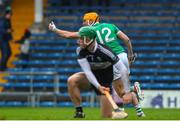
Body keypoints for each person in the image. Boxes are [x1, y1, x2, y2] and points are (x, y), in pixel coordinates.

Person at [49, 12, 145, 117]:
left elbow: (68, 35)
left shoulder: (90, 33)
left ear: (90, 21)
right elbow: (126, 39)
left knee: (120, 92)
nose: (83, 23)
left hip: (111, 59)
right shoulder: (110, 26)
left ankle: (130, 93)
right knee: (118, 90)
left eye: (84, 21)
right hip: (122, 55)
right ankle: (133, 105)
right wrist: (130, 55)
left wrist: (54, 29)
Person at [72, 26, 144, 118]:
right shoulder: (80, 50)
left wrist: (127, 92)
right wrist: (98, 86)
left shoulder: (105, 51)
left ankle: (131, 90)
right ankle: (79, 112)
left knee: (116, 100)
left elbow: (122, 69)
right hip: (93, 77)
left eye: (82, 38)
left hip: (106, 77)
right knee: (72, 80)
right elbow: (88, 72)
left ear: (89, 39)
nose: (79, 41)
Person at [0, 6, 13, 71]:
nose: (10, 16)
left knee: (9, 53)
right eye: (9, 14)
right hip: (2, 40)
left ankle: (3, 66)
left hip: (5, 39)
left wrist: (11, 38)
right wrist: (7, 31)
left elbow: (9, 29)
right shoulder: (2, 20)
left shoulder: (8, 20)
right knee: (5, 54)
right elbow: (1, 30)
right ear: (6, 14)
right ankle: (2, 67)